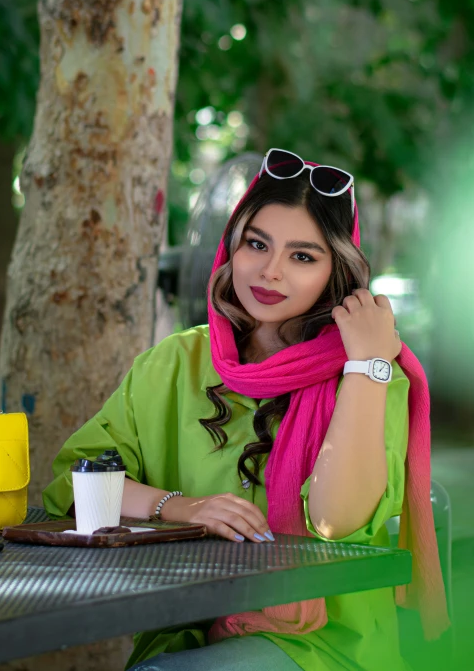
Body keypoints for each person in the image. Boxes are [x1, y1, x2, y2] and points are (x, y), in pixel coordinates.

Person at [43, 149, 449, 670]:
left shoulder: (370, 378)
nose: (271, 271)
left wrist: (365, 364)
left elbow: (334, 520)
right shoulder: (176, 363)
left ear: (336, 273)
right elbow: (77, 485)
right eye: (257, 244)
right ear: (232, 247)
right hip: (188, 637)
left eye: (303, 256)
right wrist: (180, 506)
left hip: (322, 648)